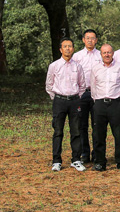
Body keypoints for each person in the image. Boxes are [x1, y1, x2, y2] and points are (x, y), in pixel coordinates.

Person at [45, 37, 87, 172]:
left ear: (73, 49)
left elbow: (82, 85)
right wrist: (57, 98)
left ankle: (76, 159)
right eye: (65, 46)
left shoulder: (78, 66)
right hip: (59, 101)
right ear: (60, 49)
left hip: (74, 101)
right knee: (58, 131)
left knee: (76, 131)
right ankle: (56, 160)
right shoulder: (54, 66)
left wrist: (76, 98)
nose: (68, 49)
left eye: (70, 46)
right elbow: (49, 85)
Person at [90, 44, 120, 172]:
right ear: (101, 54)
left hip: (115, 104)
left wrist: (119, 101)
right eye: (104, 53)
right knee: (98, 133)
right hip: (100, 104)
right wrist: (98, 101)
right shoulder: (96, 69)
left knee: (119, 134)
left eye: (109, 52)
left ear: (113, 53)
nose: (107, 55)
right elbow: (93, 87)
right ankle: (100, 162)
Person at [72, 29, 102, 164]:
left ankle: (97, 153)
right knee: (82, 125)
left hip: (97, 93)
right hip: (82, 93)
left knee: (97, 124)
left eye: (93, 38)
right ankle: (84, 153)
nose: (90, 40)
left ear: (96, 40)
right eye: (87, 38)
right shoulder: (77, 56)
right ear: (83, 40)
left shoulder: (101, 55)